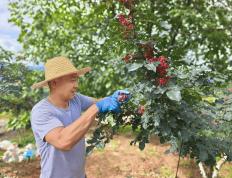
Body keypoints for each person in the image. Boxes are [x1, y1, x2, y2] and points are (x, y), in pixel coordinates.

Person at [30, 56, 130, 178]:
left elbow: (98, 102)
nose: (76, 85)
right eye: (72, 80)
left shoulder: (75, 99)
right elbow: (63, 141)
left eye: (77, 80)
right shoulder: (41, 111)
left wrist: (115, 98)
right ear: (54, 83)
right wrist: (97, 107)